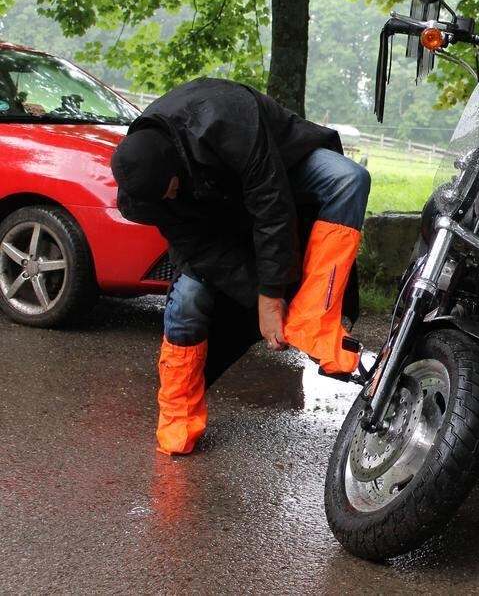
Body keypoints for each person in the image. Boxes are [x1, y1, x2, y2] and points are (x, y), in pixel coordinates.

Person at [112, 77, 371, 454]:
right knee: (188, 299)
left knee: (349, 178)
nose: (169, 197)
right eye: (162, 196)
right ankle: (178, 414)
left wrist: (273, 296)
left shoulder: (224, 116)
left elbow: (271, 201)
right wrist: (262, 300)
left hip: (275, 171)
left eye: (169, 187)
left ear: (174, 161)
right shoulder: (144, 193)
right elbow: (202, 249)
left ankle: (314, 319)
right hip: (214, 228)